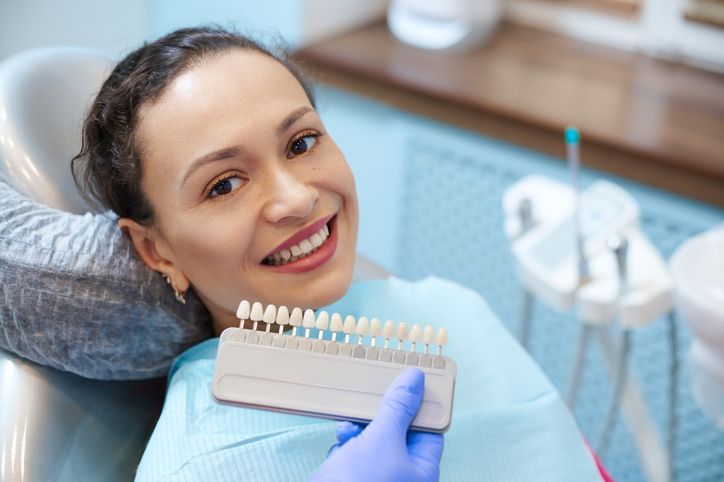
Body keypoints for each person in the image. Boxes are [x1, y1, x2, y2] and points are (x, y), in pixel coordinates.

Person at [3, 26, 607, 481]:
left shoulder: (450, 306)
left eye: (301, 142)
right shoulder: (197, 463)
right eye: (225, 184)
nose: (295, 198)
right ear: (155, 250)